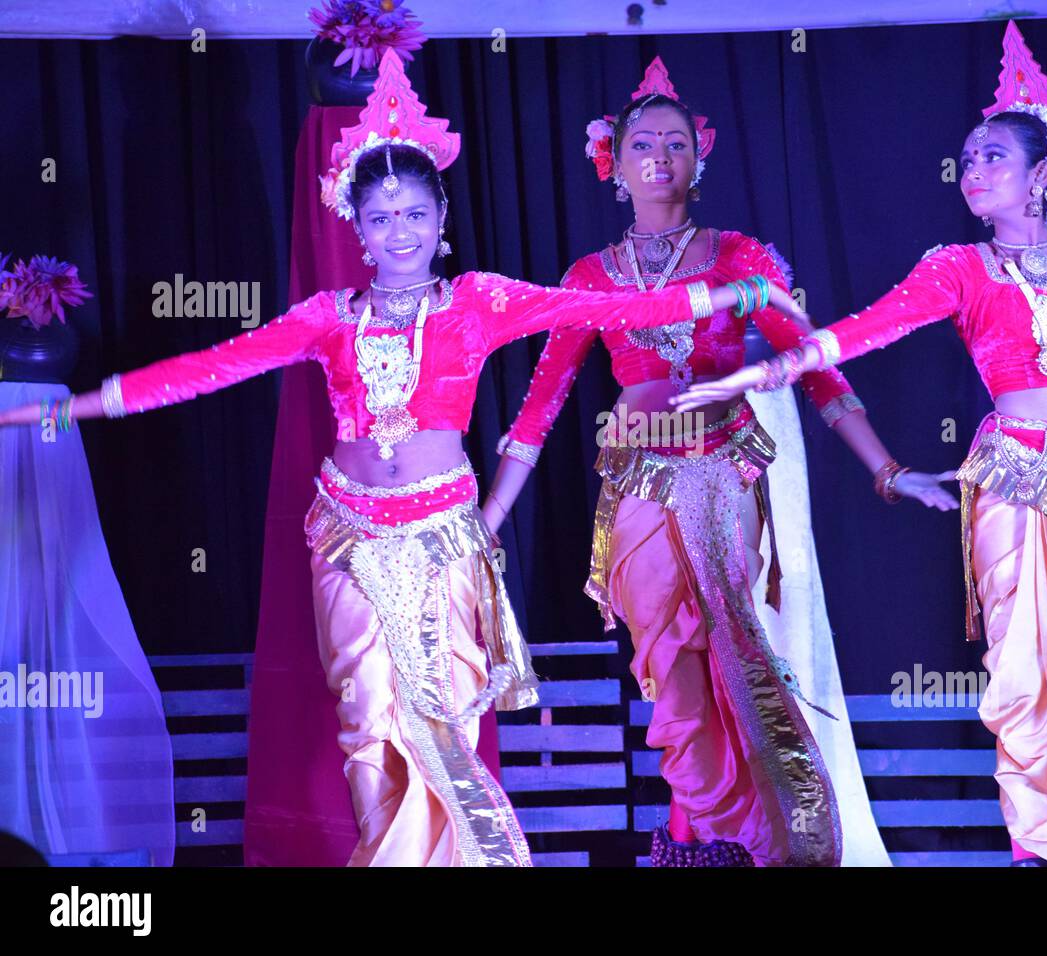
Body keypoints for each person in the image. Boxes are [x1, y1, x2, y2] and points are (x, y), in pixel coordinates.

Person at [0, 49, 772, 867]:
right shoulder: (329, 317)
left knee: (440, 723)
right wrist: (78, 406)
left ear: (440, 221)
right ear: (357, 228)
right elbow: (216, 364)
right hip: (348, 536)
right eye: (380, 218)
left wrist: (725, 293)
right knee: (368, 725)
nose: (397, 232)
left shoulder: (479, 302)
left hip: (440, 534)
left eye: (412, 215)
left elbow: (601, 302)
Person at [666, 21, 1047, 866]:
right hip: (1015, 484)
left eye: (993, 156)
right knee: (1028, 682)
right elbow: (866, 329)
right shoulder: (958, 271)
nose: (973, 172)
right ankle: (1039, 853)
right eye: (967, 161)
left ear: (1044, 175)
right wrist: (770, 370)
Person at [484, 59, 955, 867]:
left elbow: (816, 371)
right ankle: (696, 836)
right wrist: (488, 519)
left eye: (675, 142)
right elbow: (539, 406)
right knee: (667, 670)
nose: (659, 156)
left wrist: (889, 470)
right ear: (614, 162)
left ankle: (758, 837)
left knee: (733, 650)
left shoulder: (739, 256)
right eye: (643, 143)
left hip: (722, 476)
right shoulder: (589, 279)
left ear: (699, 158)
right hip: (636, 484)